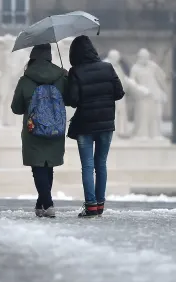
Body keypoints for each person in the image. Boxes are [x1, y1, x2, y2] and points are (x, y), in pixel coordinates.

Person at [65, 35, 125, 218]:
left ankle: (90, 206)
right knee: (101, 164)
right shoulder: (108, 68)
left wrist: (68, 82)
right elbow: (119, 93)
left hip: (85, 124)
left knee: (87, 166)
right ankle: (99, 205)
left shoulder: (76, 71)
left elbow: (72, 101)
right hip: (106, 124)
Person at [11, 43, 68, 218]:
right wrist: (66, 77)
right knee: (48, 165)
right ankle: (41, 203)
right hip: (56, 129)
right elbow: (72, 98)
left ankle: (48, 203)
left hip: (33, 129)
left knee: (38, 166)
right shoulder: (60, 77)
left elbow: (16, 108)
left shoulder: (26, 79)